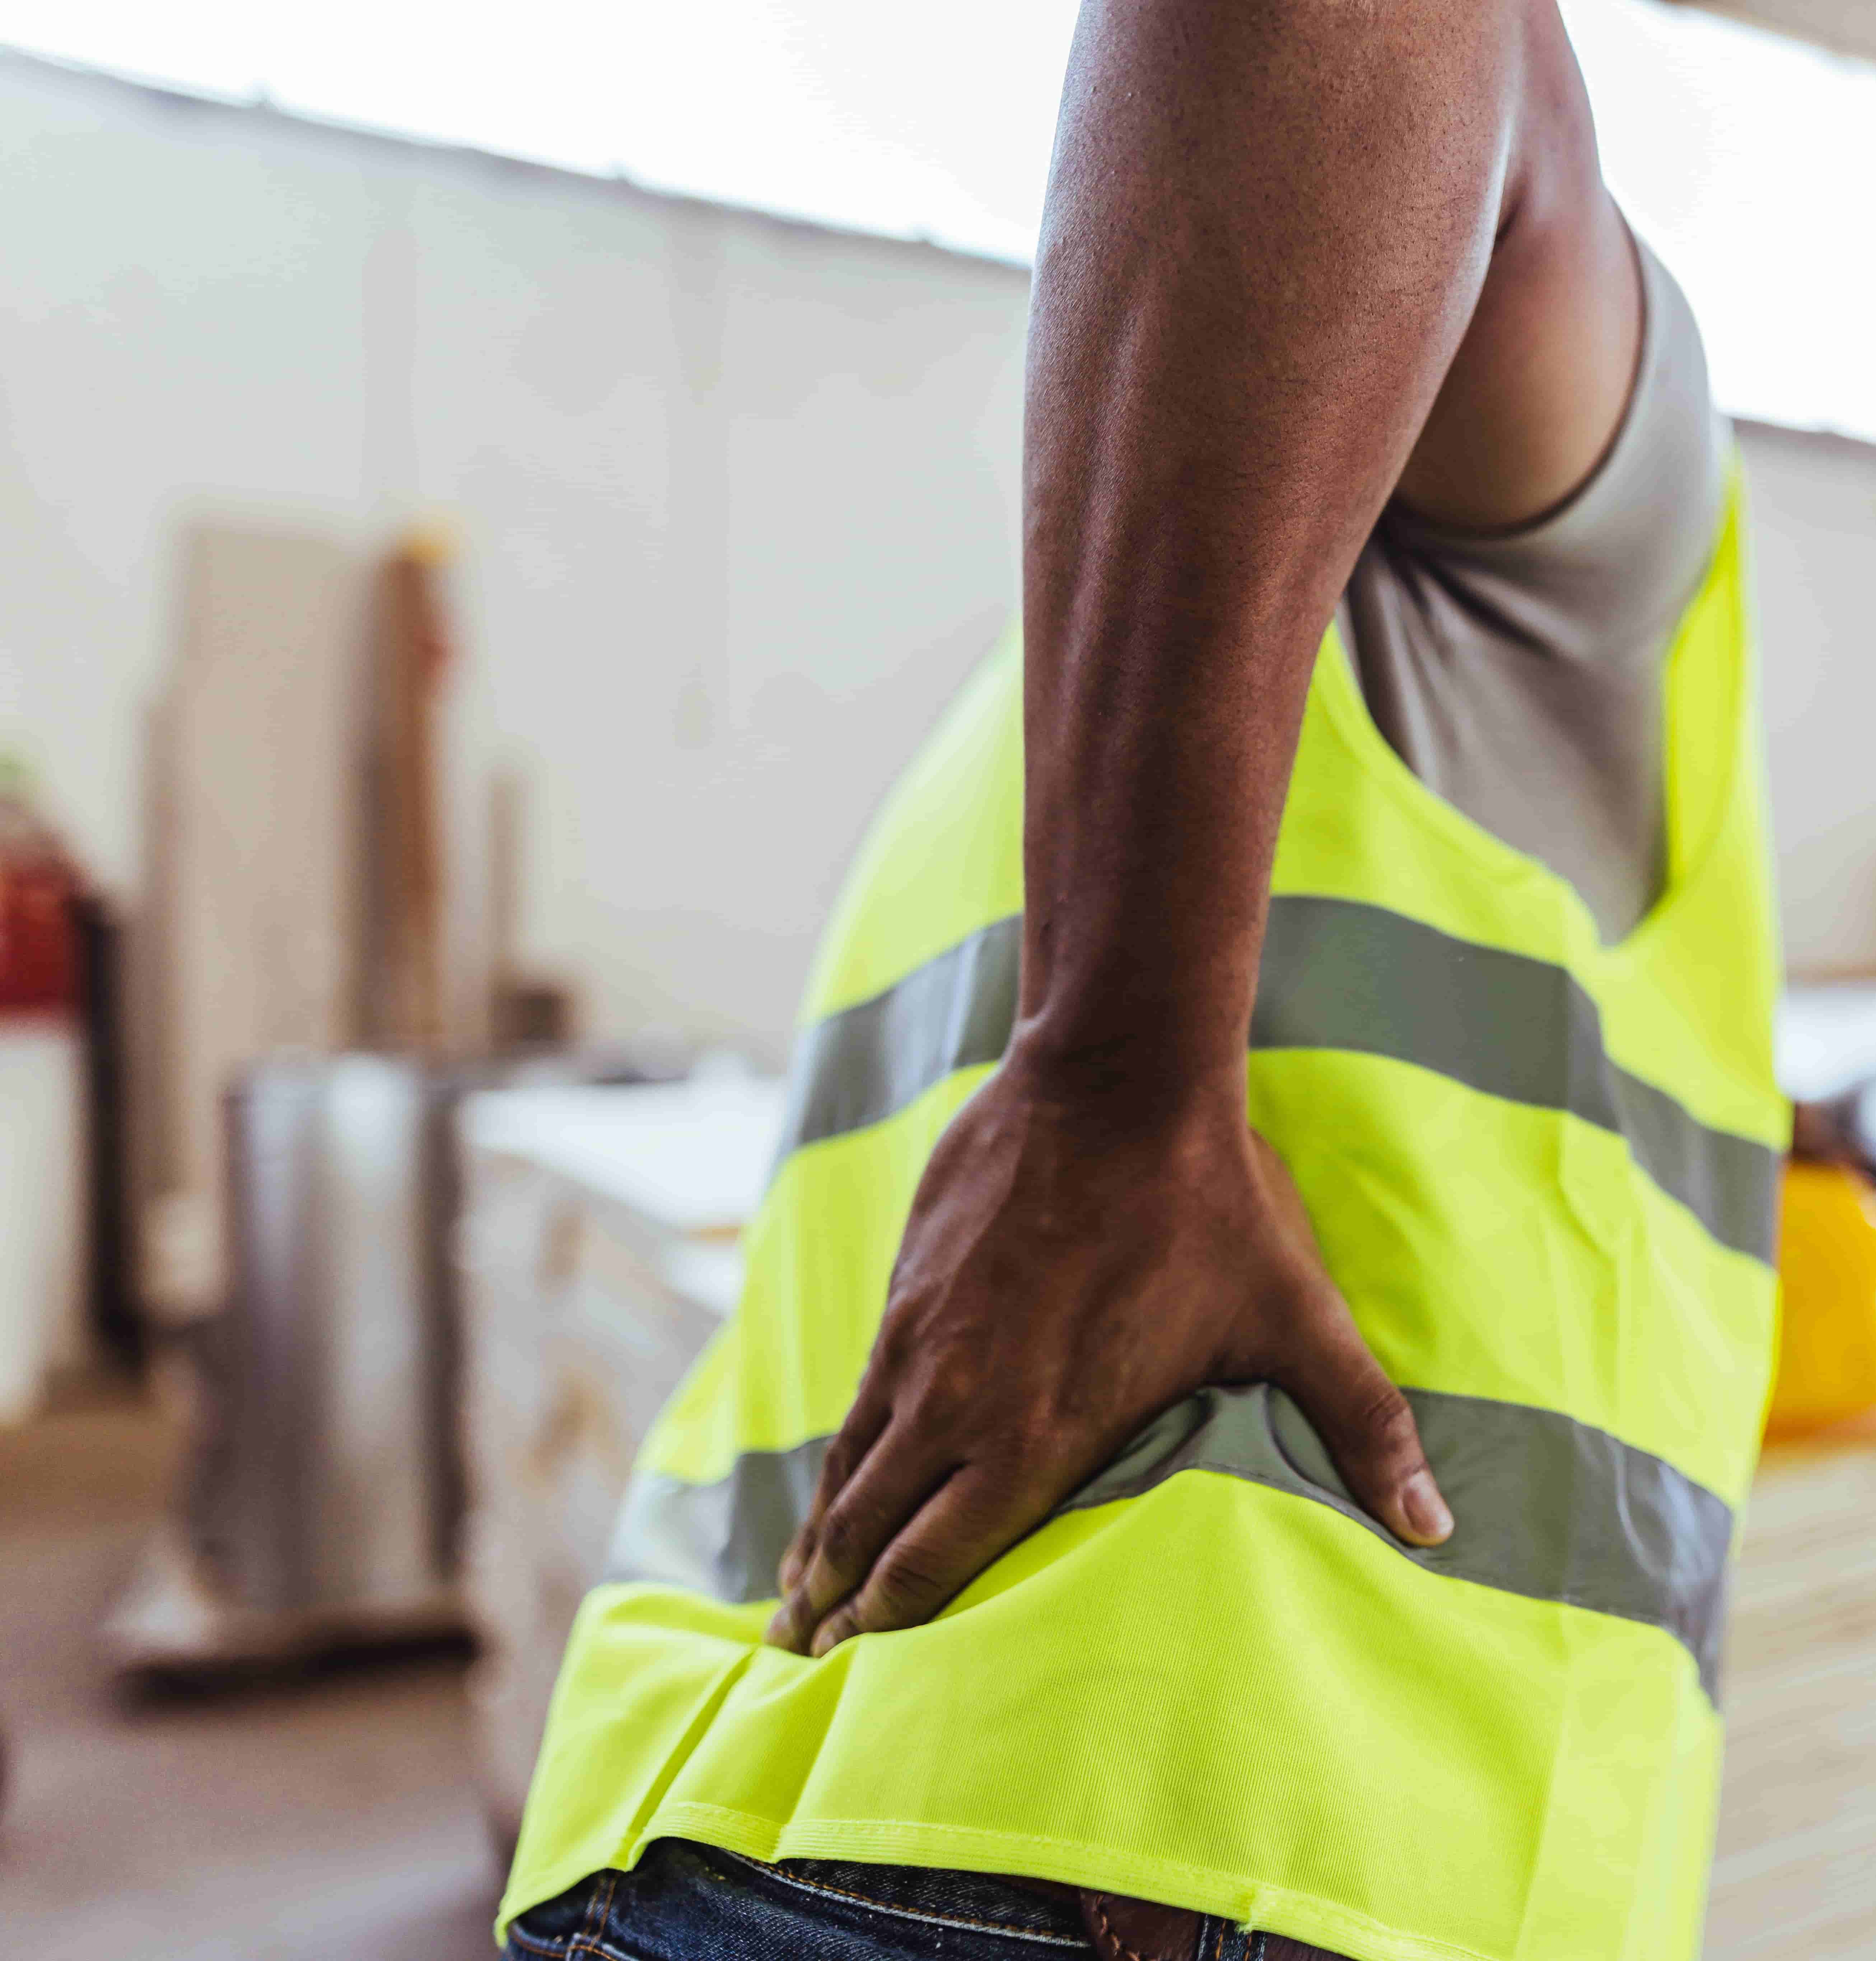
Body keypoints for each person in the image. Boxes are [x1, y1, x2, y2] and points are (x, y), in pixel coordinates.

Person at [499, 2, 1784, 1957]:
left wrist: (1111, 1072)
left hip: (823, 1823)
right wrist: (1116, 1083)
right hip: (1143, 1839)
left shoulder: (1171, 737)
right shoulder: (1105, 779)